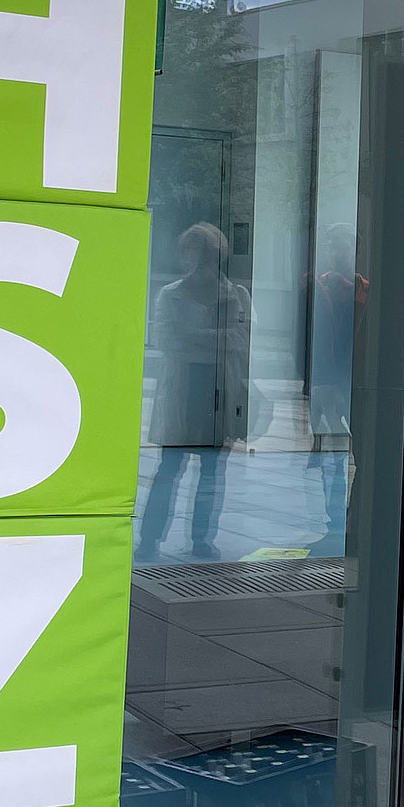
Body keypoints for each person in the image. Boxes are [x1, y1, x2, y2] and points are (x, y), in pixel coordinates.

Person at [138, 221, 252, 564]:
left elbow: (241, 339)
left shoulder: (236, 295)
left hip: (218, 389)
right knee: (169, 468)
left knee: (211, 472)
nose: (196, 261)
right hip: (183, 389)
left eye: (204, 254)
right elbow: (165, 340)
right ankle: (149, 541)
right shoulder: (170, 294)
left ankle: (202, 540)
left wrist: (193, 335)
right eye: (191, 253)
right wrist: (215, 338)